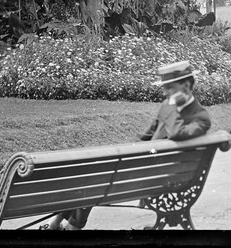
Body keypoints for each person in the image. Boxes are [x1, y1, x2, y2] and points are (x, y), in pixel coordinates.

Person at [46, 60, 212, 230]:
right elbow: (145, 137)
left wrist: (171, 106)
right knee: (92, 171)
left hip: (162, 180)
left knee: (94, 179)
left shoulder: (199, 117)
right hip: (145, 173)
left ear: (185, 85)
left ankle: (68, 227)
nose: (164, 92)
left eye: (169, 87)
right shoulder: (170, 106)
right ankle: (58, 224)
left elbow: (177, 133)